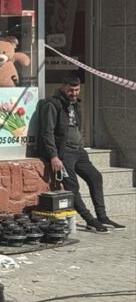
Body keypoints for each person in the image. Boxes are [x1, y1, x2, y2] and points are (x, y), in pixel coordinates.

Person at [37, 74, 125, 233]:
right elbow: (47, 133)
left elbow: (76, 127)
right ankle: (89, 220)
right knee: (72, 186)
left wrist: (81, 145)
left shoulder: (75, 104)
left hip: (78, 150)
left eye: (77, 90)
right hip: (63, 153)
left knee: (96, 177)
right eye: (71, 90)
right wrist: (54, 156)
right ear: (63, 87)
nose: (74, 93)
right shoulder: (52, 104)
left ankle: (102, 216)